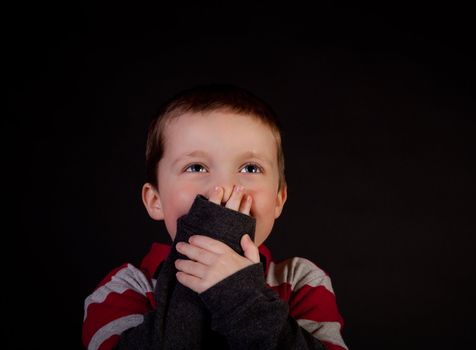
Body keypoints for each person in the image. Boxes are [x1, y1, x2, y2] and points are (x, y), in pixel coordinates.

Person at [82, 84, 348, 350]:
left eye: (250, 168)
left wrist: (240, 296)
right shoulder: (122, 289)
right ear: (155, 200)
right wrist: (197, 272)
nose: (224, 189)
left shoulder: (302, 281)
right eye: (196, 167)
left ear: (278, 199)